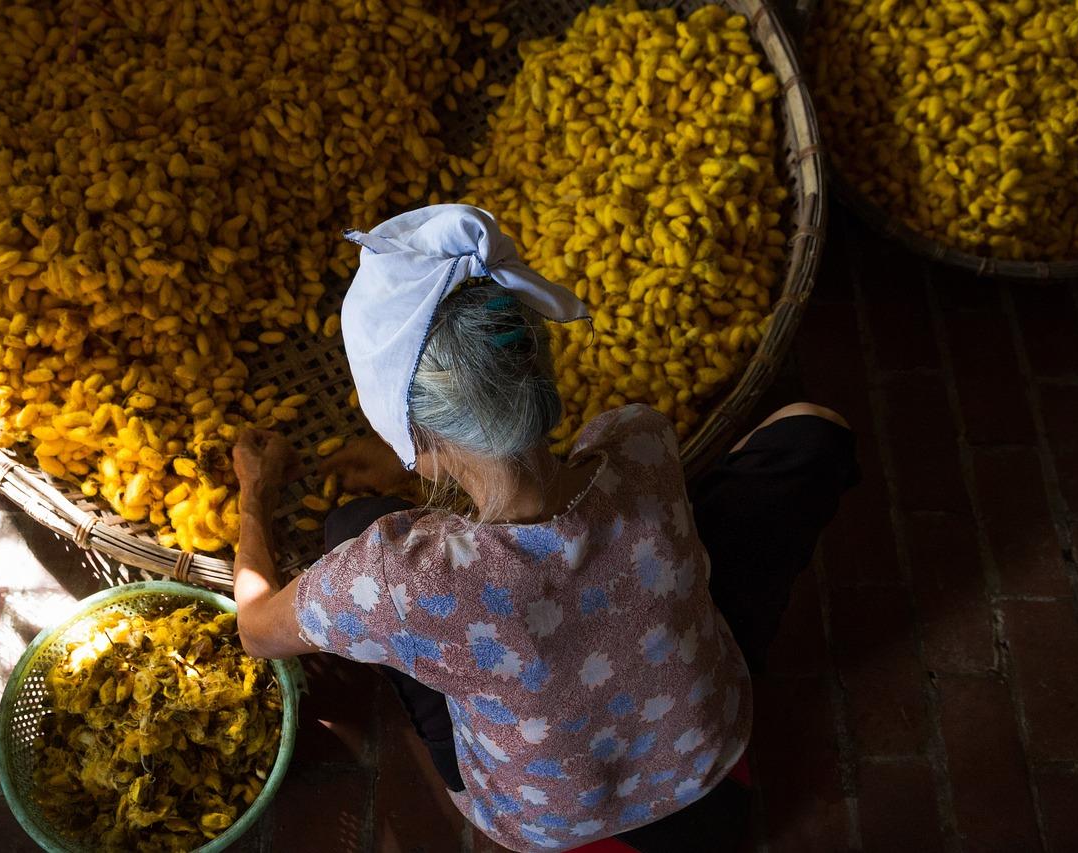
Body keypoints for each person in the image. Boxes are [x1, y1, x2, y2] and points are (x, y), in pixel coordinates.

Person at [228, 205, 858, 852]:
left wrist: (255, 492)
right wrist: (423, 459)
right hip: (708, 747)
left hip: (546, 821)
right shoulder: (638, 439)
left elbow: (256, 629)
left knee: (348, 524)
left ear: (417, 438)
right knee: (809, 431)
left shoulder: (401, 579)